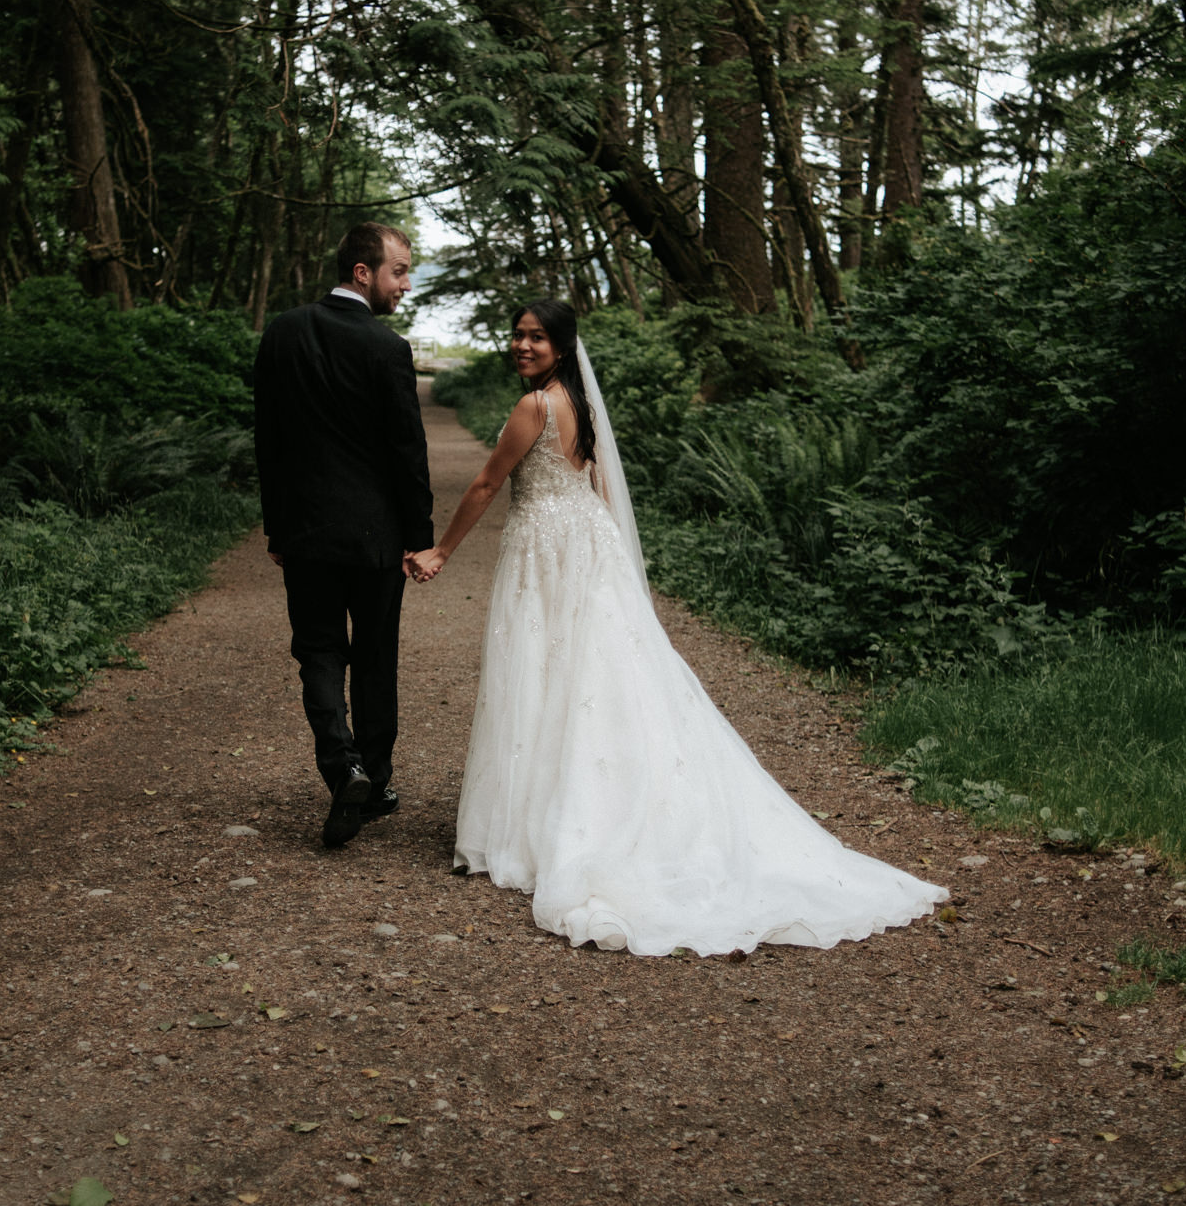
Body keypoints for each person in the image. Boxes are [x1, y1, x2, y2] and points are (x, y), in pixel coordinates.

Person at [406, 300, 947, 955]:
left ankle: (544, 823)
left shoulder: (534, 407)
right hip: (586, 543)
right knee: (598, 674)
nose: (522, 344)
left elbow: (489, 484)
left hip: (546, 550)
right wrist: (614, 563)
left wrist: (440, 550)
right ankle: (586, 804)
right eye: (518, 335)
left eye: (536, 337)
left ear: (561, 344)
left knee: (542, 669)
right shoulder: (581, 403)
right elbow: (600, 487)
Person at [254, 222, 434, 847]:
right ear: (363, 273)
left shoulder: (281, 333)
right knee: (376, 654)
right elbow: (407, 450)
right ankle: (374, 777)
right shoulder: (387, 348)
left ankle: (344, 766)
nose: (405, 284)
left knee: (319, 649)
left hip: (306, 530)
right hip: (376, 536)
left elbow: (268, 442)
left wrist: (277, 525)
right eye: (399, 271)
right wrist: (419, 534)